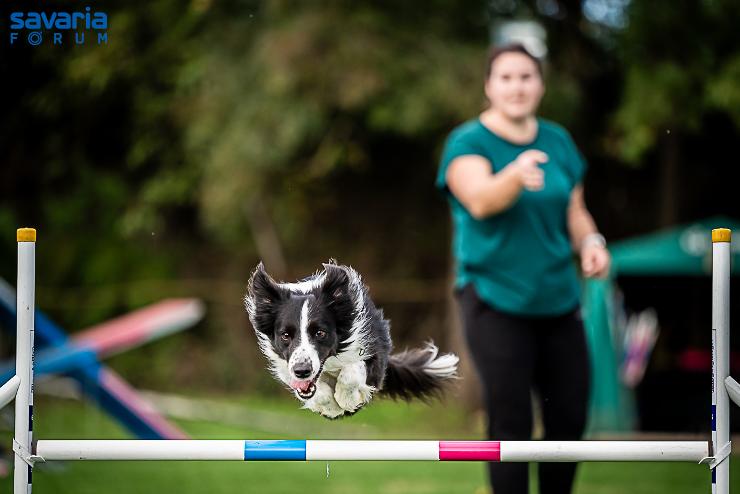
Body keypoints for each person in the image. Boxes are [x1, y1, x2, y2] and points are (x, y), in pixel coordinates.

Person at [436, 43, 610, 494]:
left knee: (569, 417)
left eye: (527, 77)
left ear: (541, 85)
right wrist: (513, 176)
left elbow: (575, 210)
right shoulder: (468, 142)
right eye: (507, 77)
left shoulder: (558, 141)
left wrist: (590, 242)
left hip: (558, 298)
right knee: (510, 418)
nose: (517, 86)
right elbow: (478, 200)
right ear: (489, 86)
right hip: (494, 297)